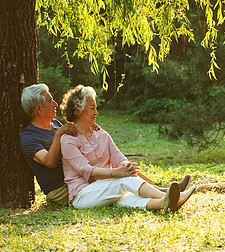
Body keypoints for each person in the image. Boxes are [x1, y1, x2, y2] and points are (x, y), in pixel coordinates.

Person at [20, 83, 191, 205]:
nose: (55, 103)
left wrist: (88, 125)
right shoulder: (30, 137)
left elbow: (73, 127)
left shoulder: (56, 124)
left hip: (78, 179)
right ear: (38, 108)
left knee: (124, 193)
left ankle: (165, 196)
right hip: (62, 189)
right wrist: (61, 134)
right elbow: (50, 161)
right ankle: (168, 193)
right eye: (50, 101)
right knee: (121, 182)